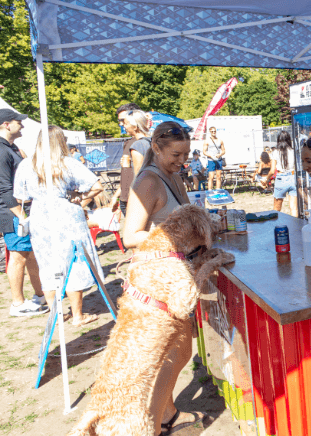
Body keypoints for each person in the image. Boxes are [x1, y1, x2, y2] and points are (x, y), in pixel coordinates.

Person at [123, 122, 203, 436]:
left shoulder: (172, 175)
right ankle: (151, 427)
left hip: (172, 278)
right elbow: (130, 235)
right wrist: (178, 237)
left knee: (172, 351)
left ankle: (167, 413)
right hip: (156, 281)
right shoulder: (148, 181)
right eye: (175, 153)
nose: (181, 160)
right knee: (178, 352)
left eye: (185, 154)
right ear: (155, 147)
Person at [14, 125, 105, 326]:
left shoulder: (26, 165)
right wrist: (79, 198)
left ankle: (56, 313)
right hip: (67, 215)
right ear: (60, 141)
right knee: (74, 262)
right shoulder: (68, 164)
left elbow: (21, 196)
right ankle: (78, 315)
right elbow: (97, 186)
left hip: (40, 217)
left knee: (47, 264)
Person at [0, 109, 47, 317]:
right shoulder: (1, 151)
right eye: (18, 121)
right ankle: (18, 304)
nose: (23, 125)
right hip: (12, 213)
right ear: (5, 124)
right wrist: (20, 215)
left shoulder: (11, 148)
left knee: (30, 254)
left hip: (20, 211)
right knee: (18, 255)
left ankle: (40, 294)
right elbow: (4, 188)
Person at [110, 103, 143, 217]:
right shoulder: (128, 143)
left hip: (137, 199)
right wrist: (116, 196)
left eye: (123, 120)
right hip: (125, 198)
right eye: (120, 121)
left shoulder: (145, 143)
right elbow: (126, 175)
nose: (122, 124)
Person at [270, 130, 298, 217]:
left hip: (281, 178)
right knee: (294, 208)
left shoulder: (275, 152)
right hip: (293, 177)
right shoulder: (294, 151)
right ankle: (295, 227)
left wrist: (266, 179)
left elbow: (272, 170)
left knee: (277, 208)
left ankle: (276, 227)